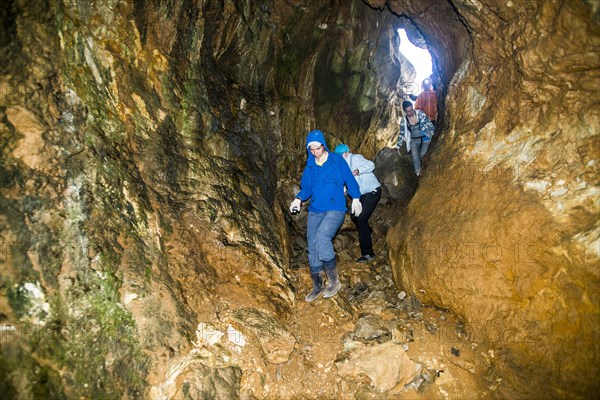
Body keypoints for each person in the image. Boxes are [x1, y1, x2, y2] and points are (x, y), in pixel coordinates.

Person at [289, 130, 363, 302]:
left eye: (318, 148)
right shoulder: (310, 167)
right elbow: (306, 188)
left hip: (335, 208)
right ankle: (317, 285)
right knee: (312, 246)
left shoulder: (337, 161)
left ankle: (334, 281)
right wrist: (298, 199)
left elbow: (349, 181)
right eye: (312, 149)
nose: (315, 152)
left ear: (323, 145)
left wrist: (356, 198)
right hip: (316, 209)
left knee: (322, 237)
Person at [334, 144, 381, 263]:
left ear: (346, 153)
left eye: (341, 155)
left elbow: (371, 165)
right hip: (362, 194)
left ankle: (368, 254)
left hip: (372, 191)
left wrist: (358, 171)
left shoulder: (355, 158)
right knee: (355, 216)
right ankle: (367, 232)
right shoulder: (343, 165)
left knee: (361, 219)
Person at [397, 100, 435, 177]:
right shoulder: (404, 120)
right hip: (414, 140)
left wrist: (433, 135)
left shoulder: (420, 114)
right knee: (415, 157)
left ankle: (425, 171)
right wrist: (397, 147)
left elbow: (429, 124)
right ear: (405, 111)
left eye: (411, 110)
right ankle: (418, 174)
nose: (410, 112)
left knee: (422, 155)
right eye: (408, 111)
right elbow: (401, 133)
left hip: (425, 138)